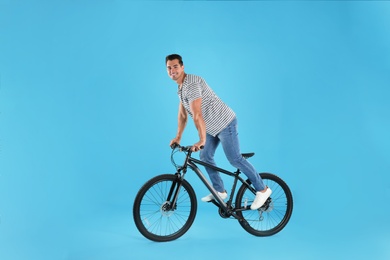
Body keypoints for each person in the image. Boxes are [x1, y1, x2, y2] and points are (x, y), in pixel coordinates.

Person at [166, 54, 271, 210]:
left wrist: (201, 140)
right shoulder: (181, 88)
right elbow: (182, 115)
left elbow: (197, 114)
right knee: (205, 156)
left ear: (182, 67)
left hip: (225, 123)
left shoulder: (192, 84)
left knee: (235, 159)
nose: (172, 70)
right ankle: (220, 191)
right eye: (169, 67)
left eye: (175, 66)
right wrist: (178, 137)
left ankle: (262, 189)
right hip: (211, 127)